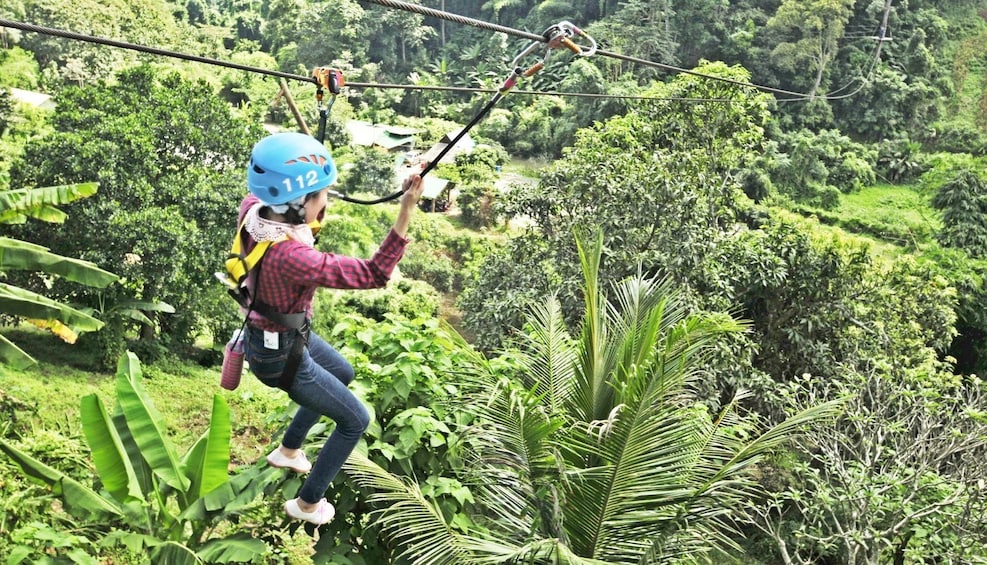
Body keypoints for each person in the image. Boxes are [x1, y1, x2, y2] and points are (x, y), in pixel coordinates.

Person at [235, 131, 423, 525]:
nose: (326, 200)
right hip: (280, 355)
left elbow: (286, 191)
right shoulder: (294, 257)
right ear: (299, 202)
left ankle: (288, 450)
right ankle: (307, 504)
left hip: (273, 337)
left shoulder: (253, 211)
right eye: (321, 193)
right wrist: (406, 208)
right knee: (355, 420)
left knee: (343, 371)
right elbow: (374, 273)